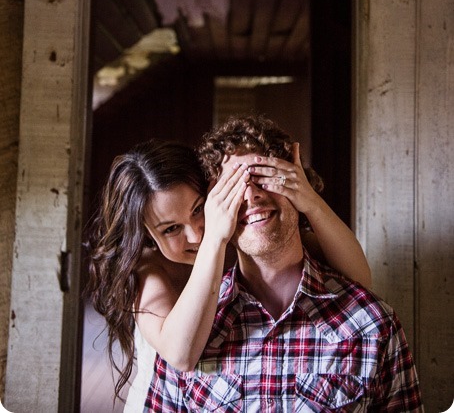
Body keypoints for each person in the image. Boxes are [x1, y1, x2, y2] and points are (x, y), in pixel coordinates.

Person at [144, 115, 423, 412]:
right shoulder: (191, 325)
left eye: (264, 175)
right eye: (232, 187)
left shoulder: (371, 325)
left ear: (298, 185)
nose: (251, 193)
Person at [86, 128, 371, 408]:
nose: (195, 235)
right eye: (171, 228)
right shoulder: (151, 271)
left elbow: (358, 286)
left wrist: (310, 202)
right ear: (149, 236)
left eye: (199, 209)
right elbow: (182, 355)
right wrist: (215, 239)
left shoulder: (243, 238)